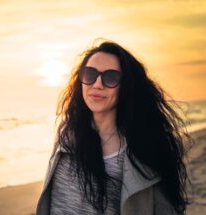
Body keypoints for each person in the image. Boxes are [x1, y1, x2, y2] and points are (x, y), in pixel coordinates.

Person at [36, 40, 193, 215]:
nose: (97, 84)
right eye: (90, 74)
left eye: (110, 77)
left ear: (126, 86)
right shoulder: (67, 134)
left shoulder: (144, 150)